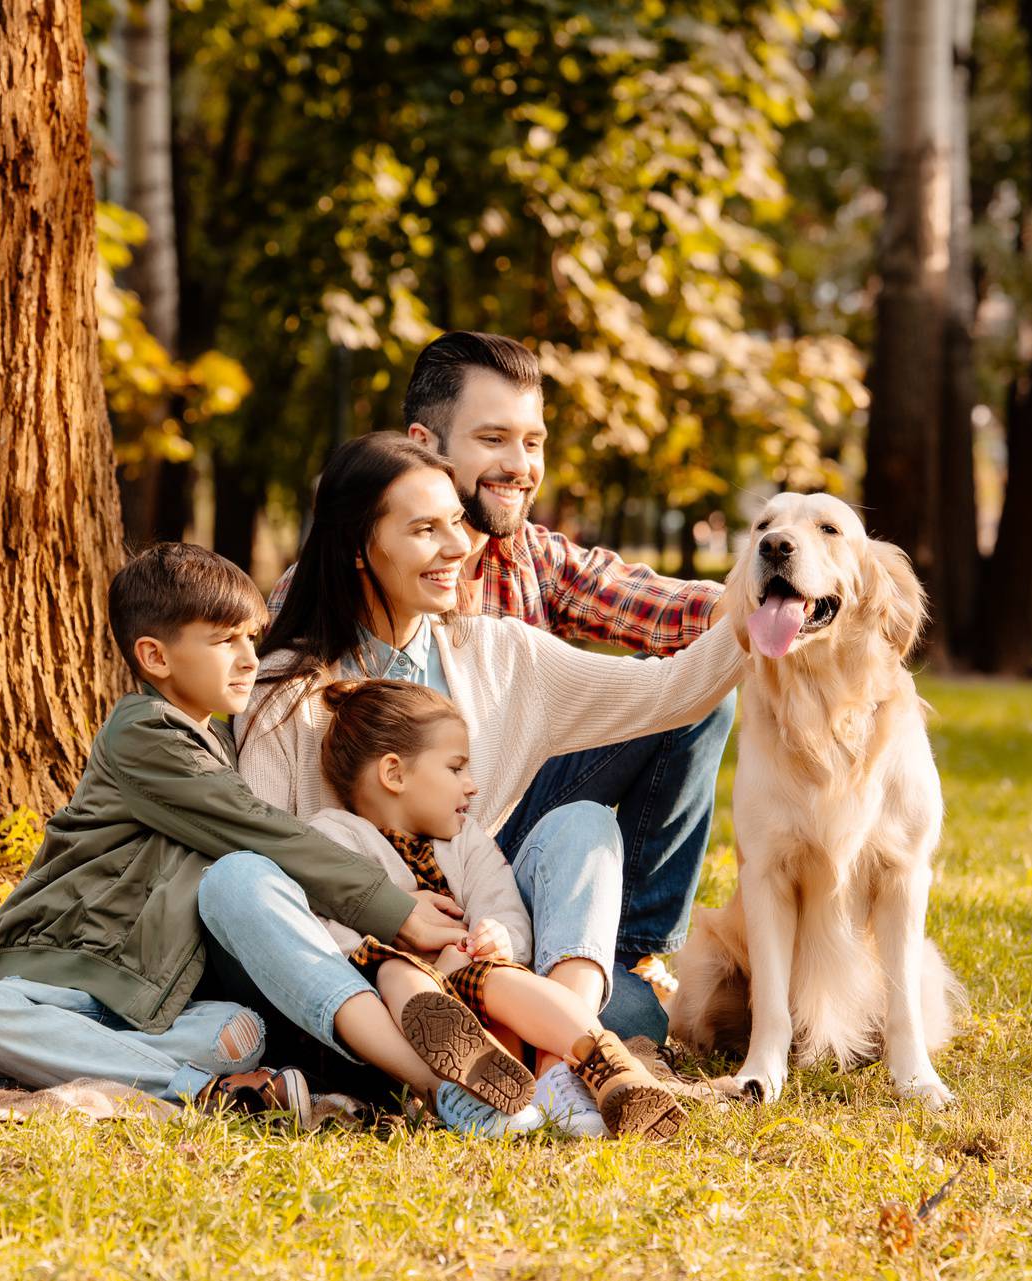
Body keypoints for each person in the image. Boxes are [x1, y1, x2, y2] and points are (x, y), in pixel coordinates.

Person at [202, 432, 744, 1112]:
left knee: (583, 831)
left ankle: (558, 1066)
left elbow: (672, 693)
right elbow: (277, 871)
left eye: (454, 521)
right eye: (425, 529)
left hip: (478, 946)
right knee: (238, 882)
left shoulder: (500, 651)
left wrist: (760, 605)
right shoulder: (284, 694)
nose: (459, 546)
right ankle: (452, 1069)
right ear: (357, 549)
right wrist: (393, 921)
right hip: (356, 970)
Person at [0, 543, 466, 1126]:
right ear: (156, 656)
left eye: (252, 637)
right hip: (76, 974)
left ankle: (18, 1064)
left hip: (158, 998)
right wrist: (395, 909)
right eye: (226, 641)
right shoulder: (143, 733)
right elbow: (262, 828)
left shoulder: (213, 742)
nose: (250, 657)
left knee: (238, 1033)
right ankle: (201, 1090)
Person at [270, 331, 736, 1039]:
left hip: (498, 829)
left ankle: (620, 959)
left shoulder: (526, 572)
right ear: (424, 444)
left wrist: (769, 603)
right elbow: (282, 822)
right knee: (627, 1019)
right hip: (380, 886)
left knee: (679, 717)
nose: (520, 466)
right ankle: (562, 1020)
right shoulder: (318, 622)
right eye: (494, 438)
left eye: (533, 442)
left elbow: (663, 614)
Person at [308, 678, 689, 1141]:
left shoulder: (465, 840)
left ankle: (605, 1066)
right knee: (398, 974)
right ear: (394, 773)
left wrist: (498, 935)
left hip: (474, 981)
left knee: (503, 975)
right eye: (456, 769)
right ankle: (494, 1090)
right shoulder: (333, 836)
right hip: (397, 998)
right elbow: (328, 929)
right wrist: (422, 957)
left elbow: (506, 908)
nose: (471, 786)